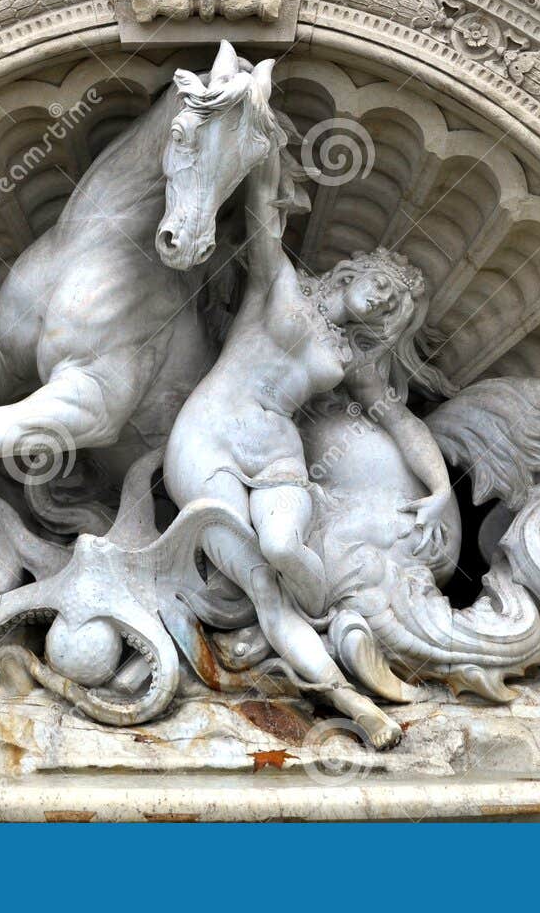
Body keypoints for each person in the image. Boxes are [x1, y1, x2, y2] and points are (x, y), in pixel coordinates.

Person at [163, 148, 455, 747]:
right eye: (381, 286)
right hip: (207, 440)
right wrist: (258, 138)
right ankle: (350, 700)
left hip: (278, 456)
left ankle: (328, 627)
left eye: (394, 304)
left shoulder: (352, 359)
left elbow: (399, 422)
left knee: (282, 547)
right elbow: (263, 218)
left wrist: (440, 487)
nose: (382, 301)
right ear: (353, 272)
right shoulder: (280, 283)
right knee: (266, 583)